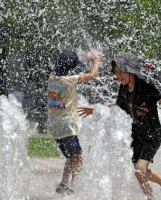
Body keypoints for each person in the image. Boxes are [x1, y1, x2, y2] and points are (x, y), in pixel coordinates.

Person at [78, 52, 161, 200]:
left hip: (153, 133)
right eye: (116, 72)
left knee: (140, 169)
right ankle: (151, 198)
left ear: (131, 71)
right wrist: (96, 108)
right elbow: (118, 104)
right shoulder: (124, 88)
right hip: (138, 133)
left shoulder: (146, 86)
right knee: (138, 173)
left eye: (121, 71)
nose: (118, 75)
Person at [47, 50, 104, 195]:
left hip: (54, 127)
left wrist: (86, 57)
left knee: (72, 156)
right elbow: (93, 75)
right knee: (77, 156)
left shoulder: (52, 76)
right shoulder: (70, 80)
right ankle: (69, 184)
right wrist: (95, 60)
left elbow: (76, 69)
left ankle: (65, 184)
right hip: (67, 126)